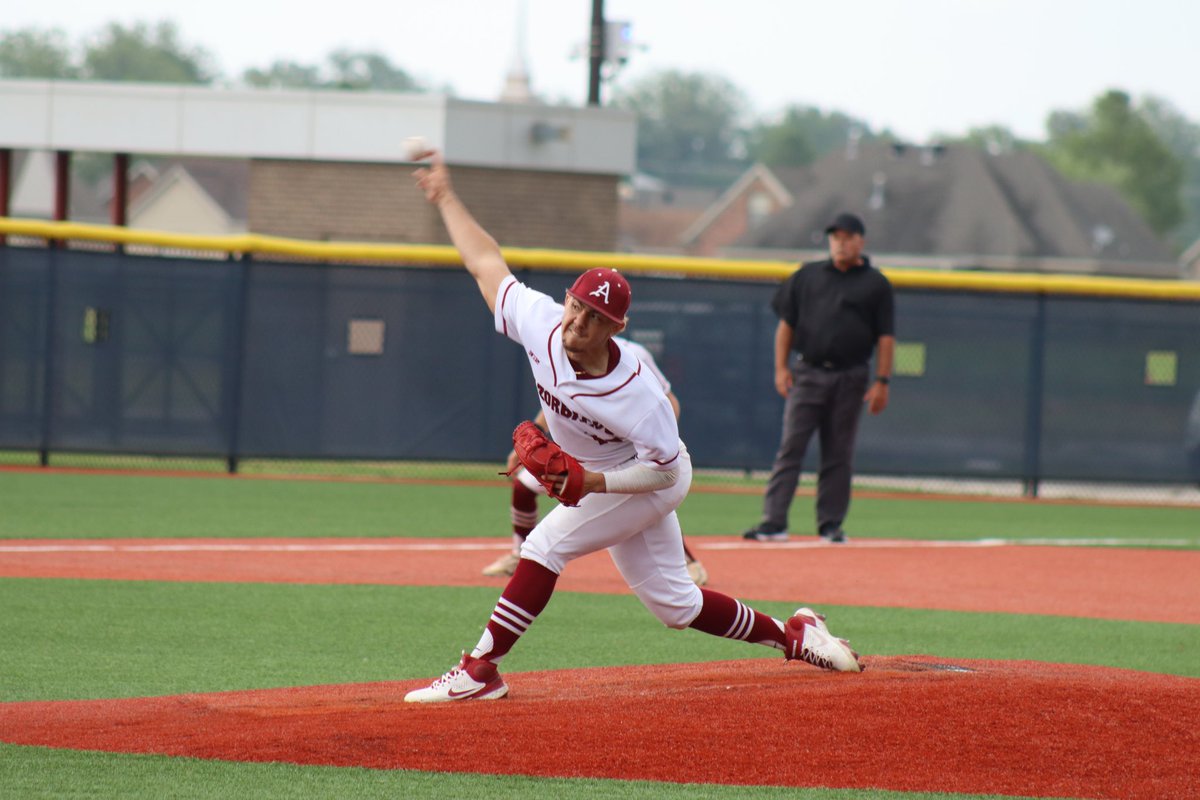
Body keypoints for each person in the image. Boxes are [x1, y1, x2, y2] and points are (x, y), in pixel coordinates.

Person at [404, 151, 862, 703]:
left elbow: (663, 472)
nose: (578, 322)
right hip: (607, 472)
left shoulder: (638, 395)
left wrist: (593, 484)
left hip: (649, 477)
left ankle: (480, 671)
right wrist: (445, 196)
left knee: (545, 546)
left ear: (615, 328)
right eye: (576, 307)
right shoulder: (541, 322)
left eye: (595, 318)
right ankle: (797, 636)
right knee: (677, 606)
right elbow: (485, 262)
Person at [483, 336, 709, 587]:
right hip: (577, 455)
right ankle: (518, 554)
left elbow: (669, 401)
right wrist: (538, 426)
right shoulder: (564, 348)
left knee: (645, 509)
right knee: (523, 487)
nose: (582, 322)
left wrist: (660, 441)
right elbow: (557, 401)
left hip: (622, 457)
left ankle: (689, 562)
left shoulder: (634, 354)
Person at [743, 212, 895, 544]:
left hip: (851, 375)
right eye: (835, 237)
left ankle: (830, 525)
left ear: (860, 241)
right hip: (808, 372)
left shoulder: (876, 283)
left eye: (847, 236)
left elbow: (886, 337)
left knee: (838, 453)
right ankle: (774, 521)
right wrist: (781, 368)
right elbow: (787, 325)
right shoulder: (807, 276)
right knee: (791, 447)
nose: (840, 242)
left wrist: (882, 381)